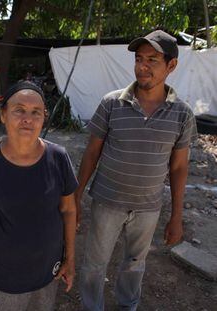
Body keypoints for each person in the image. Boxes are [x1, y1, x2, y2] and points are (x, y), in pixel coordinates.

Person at [75, 30, 197, 311]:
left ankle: (128, 305)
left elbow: (178, 167)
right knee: (95, 263)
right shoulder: (112, 103)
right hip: (107, 202)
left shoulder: (182, 114)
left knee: (134, 264)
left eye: (152, 60)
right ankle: (92, 307)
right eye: (139, 59)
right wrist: (76, 196)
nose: (142, 66)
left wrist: (176, 216)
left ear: (171, 66)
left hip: (148, 208)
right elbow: (92, 153)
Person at [0, 81, 78, 311]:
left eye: (35, 112)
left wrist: (70, 258)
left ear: (44, 118)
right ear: (3, 115)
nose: (27, 118)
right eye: (19, 110)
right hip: (4, 270)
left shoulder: (58, 157)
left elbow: (68, 209)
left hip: (46, 266)